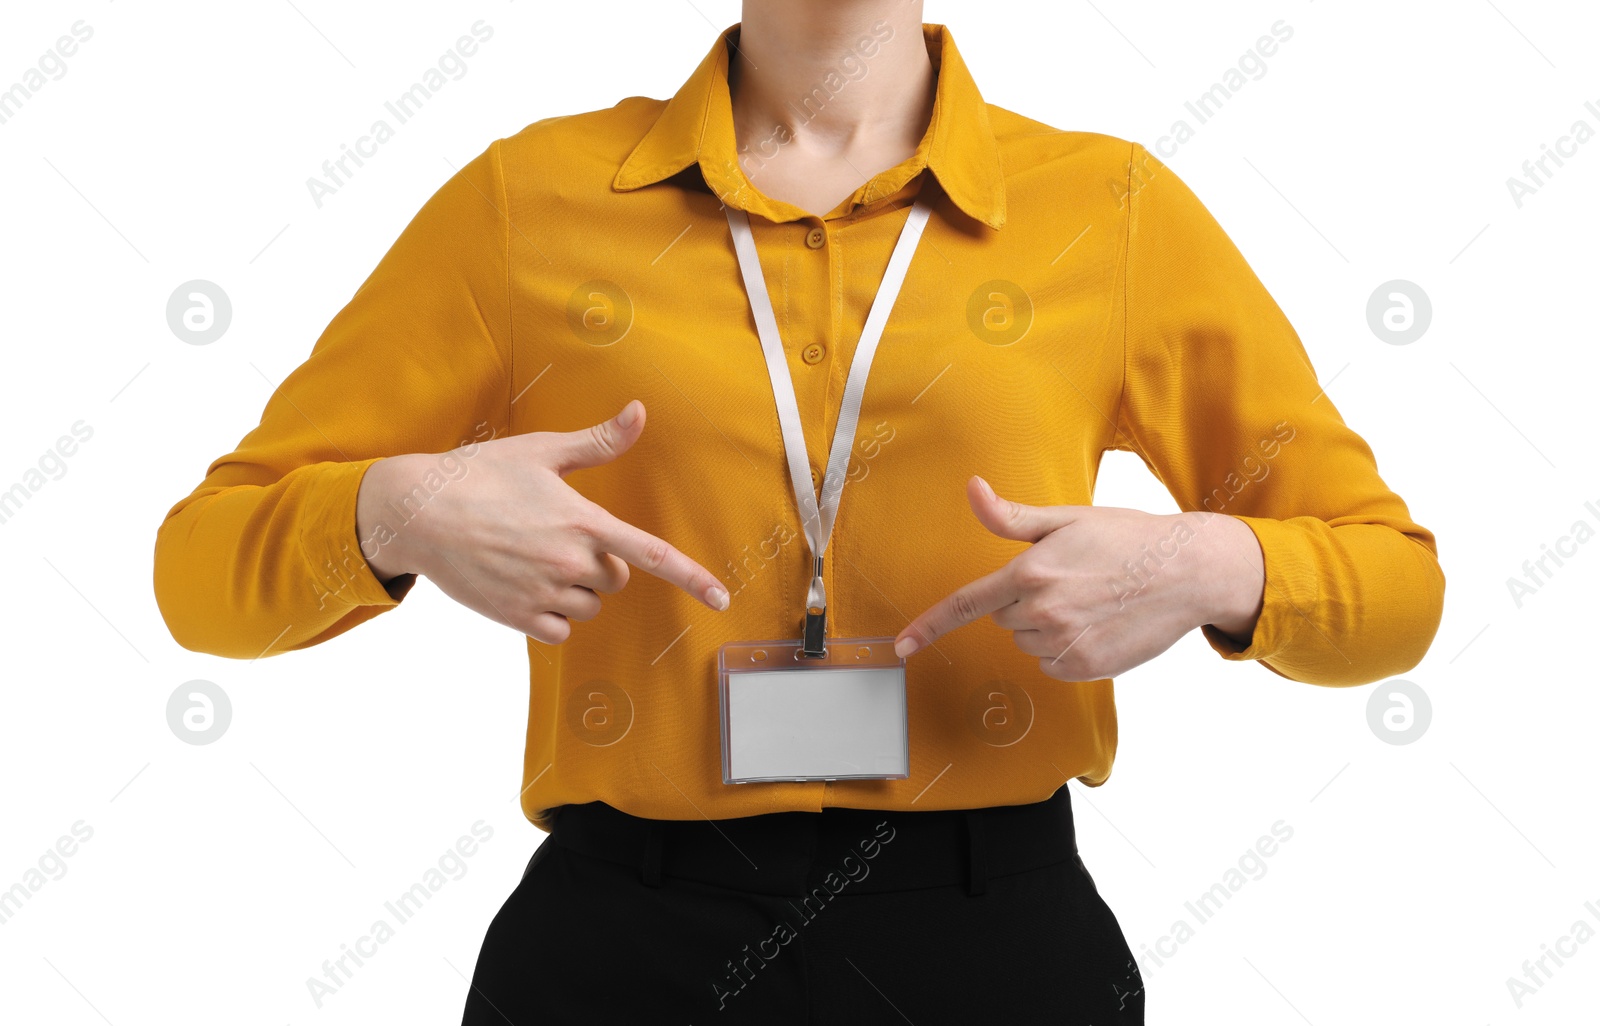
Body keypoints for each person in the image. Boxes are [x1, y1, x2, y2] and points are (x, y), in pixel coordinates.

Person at [152, 2, 1445, 1022]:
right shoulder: (521, 200)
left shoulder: (1109, 210)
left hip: (996, 943)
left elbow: (1395, 591)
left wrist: (1210, 561)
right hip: (620, 946)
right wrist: (398, 509)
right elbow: (198, 577)